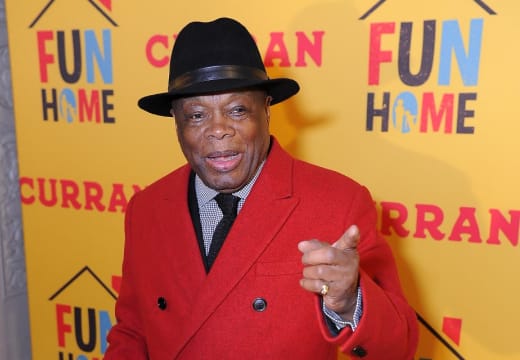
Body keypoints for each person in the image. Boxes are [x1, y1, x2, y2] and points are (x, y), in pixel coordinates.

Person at [104, 17, 418, 359]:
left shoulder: (339, 202)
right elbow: (132, 332)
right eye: (196, 115)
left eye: (238, 110)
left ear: (266, 110)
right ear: (176, 123)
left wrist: (349, 301)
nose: (218, 130)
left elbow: (399, 346)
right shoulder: (146, 208)